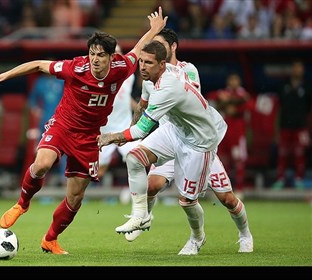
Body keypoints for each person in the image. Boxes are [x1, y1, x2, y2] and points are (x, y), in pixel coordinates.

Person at [0, 6, 167, 255]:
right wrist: (2, 76)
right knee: (43, 164)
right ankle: (22, 204)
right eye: (92, 54)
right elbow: (38, 65)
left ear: (111, 57)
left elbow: (137, 50)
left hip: (90, 137)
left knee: (76, 197)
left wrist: (154, 30)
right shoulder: (75, 68)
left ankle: (50, 239)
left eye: (101, 55)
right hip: (63, 126)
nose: (95, 59)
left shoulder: (122, 68)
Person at [97, 40, 252, 256]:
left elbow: (142, 130)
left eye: (148, 62)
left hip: (200, 142)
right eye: (141, 61)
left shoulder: (174, 81)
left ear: (165, 60)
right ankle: (141, 216)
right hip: (175, 132)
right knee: (135, 158)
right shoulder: (151, 78)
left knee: (200, 200)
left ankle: (218, 237)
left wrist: (113, 137)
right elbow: (142, 106)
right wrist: (128, 132)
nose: (142, 67)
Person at [98, 44, 138, 180]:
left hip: (124, 127)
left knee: (138, 160)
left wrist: (140, 109)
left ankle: (136, 196)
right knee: (98, 171)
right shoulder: (99, 76)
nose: (117, 57)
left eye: (120, 53)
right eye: (114, 53)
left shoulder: (129, 76)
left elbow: (125, 97)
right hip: (104, 130)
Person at [207, 72, 252, 195]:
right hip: (224, 134)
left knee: (238, 162)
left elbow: (248, 104)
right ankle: (222, 191)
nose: (233, 83)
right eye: (231, 80)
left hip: (238, 134)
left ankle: (239, 189)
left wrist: (231, 102)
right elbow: (211, 96)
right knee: (223, 162)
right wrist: (225, 101)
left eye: (235, 80)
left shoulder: (242, 94)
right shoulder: (223, 93)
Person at [272, 60, 311, 190]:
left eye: (299, 68)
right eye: (295, 67)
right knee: (282, 153)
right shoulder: (284, 85)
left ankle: (299, 179)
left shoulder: (307, 86)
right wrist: (276, 129)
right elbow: (279, 108)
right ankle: (280, 179)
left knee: (299, 154)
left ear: (303, 70)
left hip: (300, 126)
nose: (297, 70)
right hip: (285, 126)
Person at [28, 70, 66, 186]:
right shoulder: (40, 82)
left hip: (62, 121)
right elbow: (32, 100)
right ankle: (41, 184)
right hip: (45, 122)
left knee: (65, 152)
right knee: (43, 153)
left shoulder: (61, 81)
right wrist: (36, 110)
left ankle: (65, 181)